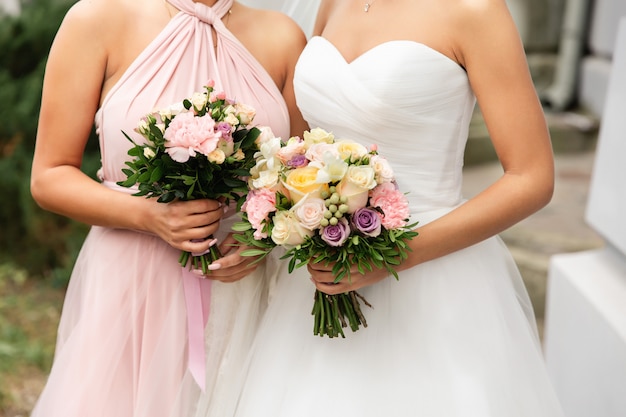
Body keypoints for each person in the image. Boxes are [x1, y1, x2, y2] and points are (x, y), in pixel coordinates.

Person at [215, 0, 566, 415]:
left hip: (432, 278)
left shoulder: (476, 11)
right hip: (320, 275)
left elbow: (531, 178)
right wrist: (267, 226)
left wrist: (394, 256)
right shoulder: (333, 5)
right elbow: (311, 145)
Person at [29, 0, 307, 415]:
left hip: (241, 285)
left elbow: (296, 173)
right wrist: (150, 217)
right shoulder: (97, 18)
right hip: (134, 285)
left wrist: (258, 239)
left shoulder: (284, 37)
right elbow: (50, 175)